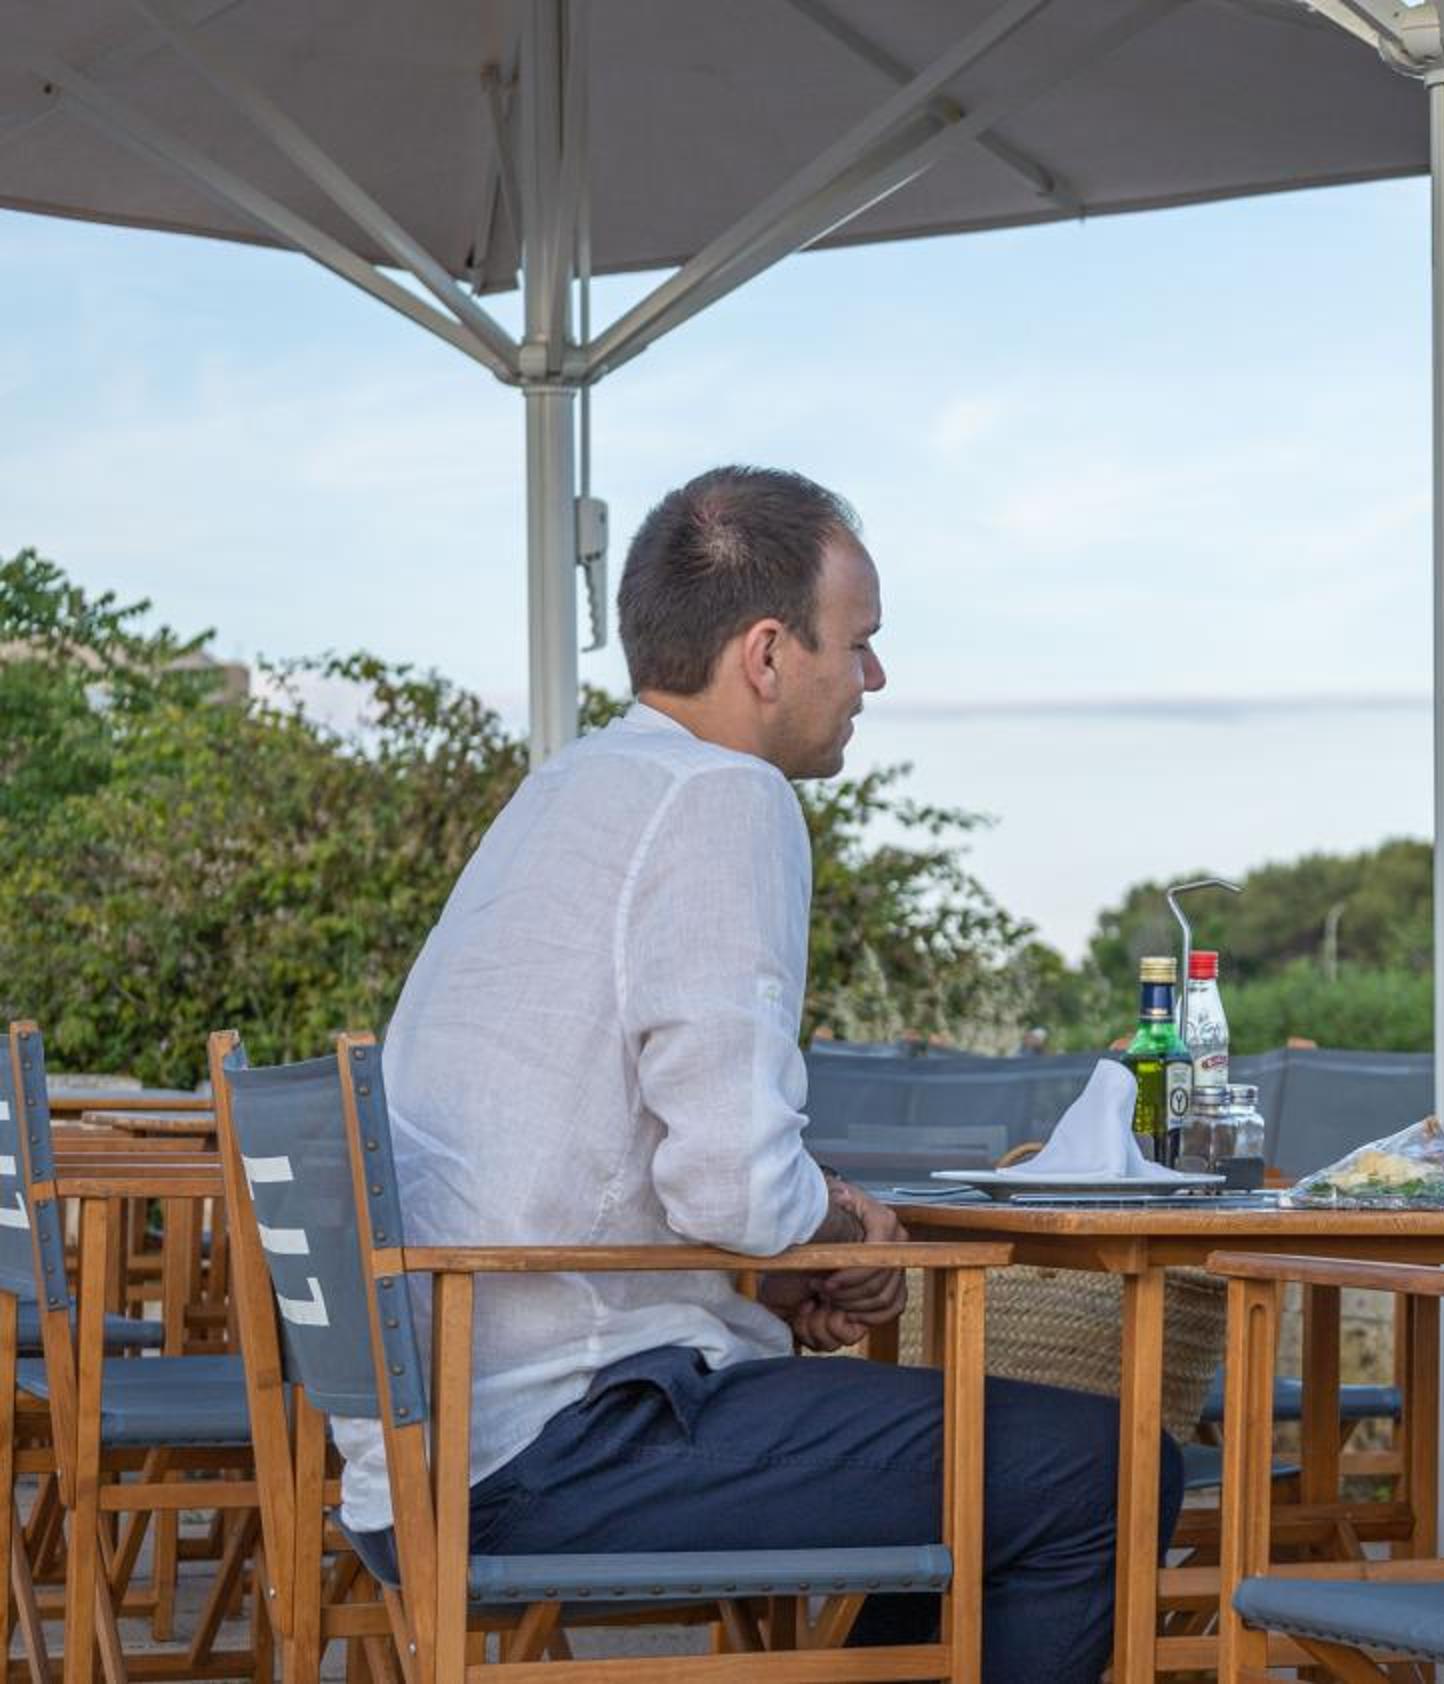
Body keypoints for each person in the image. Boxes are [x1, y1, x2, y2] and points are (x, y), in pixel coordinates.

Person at [347, 466, 1174, 1684]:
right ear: (771, 653)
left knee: (987, 1470)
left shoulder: (569, 788)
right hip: (552, 1445)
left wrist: (772, 1270)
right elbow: (734, 1186)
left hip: (426, 1445)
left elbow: (602, 1159)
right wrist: (835, 1223)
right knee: (1105, 1467)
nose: (875, 677)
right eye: (862, 640)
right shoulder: (722, 798)